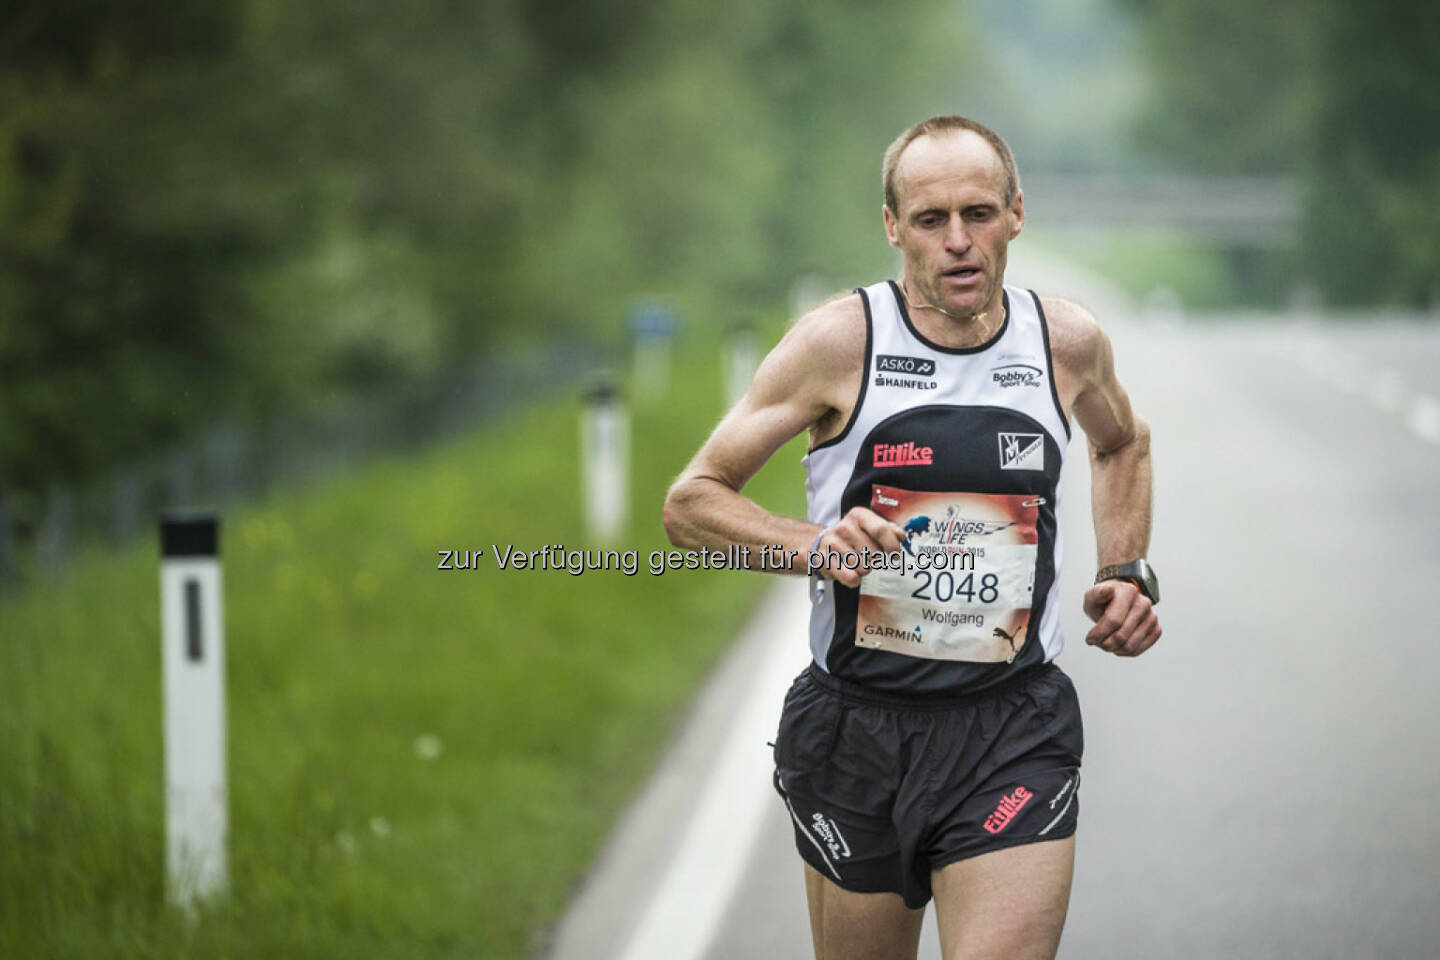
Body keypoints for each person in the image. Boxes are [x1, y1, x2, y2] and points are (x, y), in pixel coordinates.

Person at [662, 115, 1161, 960]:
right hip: (858, 732)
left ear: (1017, 215)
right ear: (893, 226)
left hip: (1013, 728)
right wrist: (813, 544)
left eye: (979, 213)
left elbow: (1123, 442)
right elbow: (691, 503)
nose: (959, 242)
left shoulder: (1065, 342)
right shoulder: (839, 343)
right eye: (931, 220)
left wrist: (1127, 569)